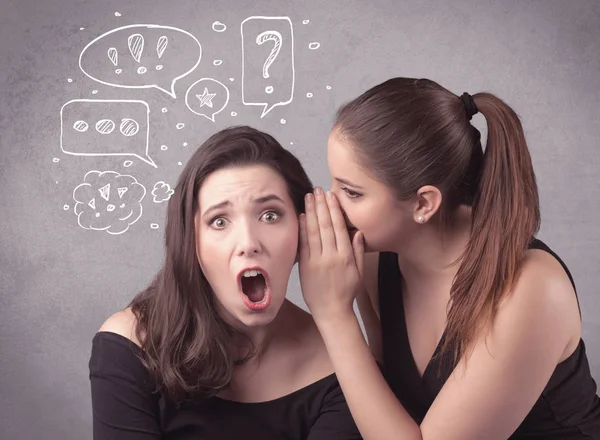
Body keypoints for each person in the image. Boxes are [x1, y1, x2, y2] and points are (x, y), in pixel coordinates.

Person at [297, 77, 600, 439]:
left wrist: (333, 315)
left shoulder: (532, 289)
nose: (331, 205)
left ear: (424, 203)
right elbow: (385, 407)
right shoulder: (372, 261)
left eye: (352, 192)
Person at [89, 126, 362, 440]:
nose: (248, 243)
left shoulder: (345, 370)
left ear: (304, 229)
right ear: (192, 242)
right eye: (219, 221)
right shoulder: (130, 346)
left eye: (270, 215)